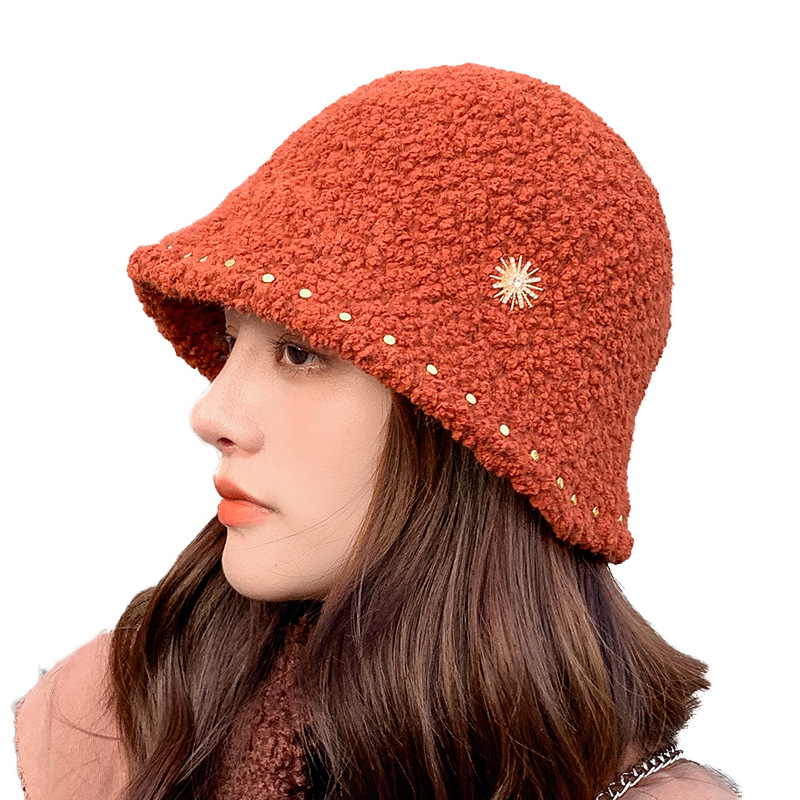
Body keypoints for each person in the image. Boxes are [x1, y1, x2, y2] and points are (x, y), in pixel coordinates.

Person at [13, 64, 742, 800]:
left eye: (301, 353)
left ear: (469, 437)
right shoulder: (109, 731)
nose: (211, 415)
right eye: (232, 341)